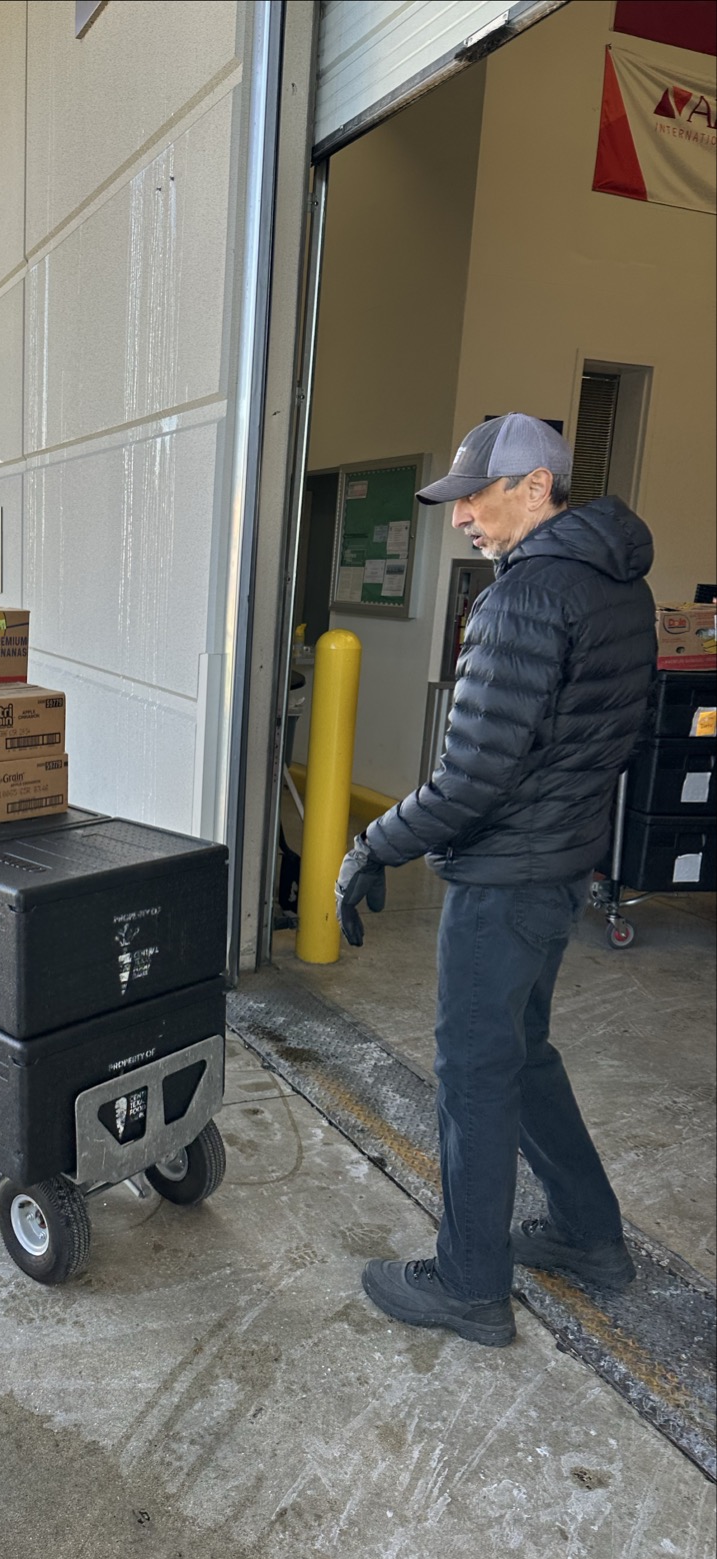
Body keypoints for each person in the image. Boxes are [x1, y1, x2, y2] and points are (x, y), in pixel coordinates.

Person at [335, 412, 656, 1347]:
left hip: (505, 876)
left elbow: (471, 776)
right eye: (456, 501)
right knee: (523, 1051)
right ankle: (587, 1232)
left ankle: (470, 1282)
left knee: (474, 1074)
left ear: (535, 485)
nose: (462, 516)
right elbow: (616, 737)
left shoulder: (522, 599)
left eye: (476, 496)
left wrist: (373, 843)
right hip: (557, 865)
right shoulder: (619, 586)